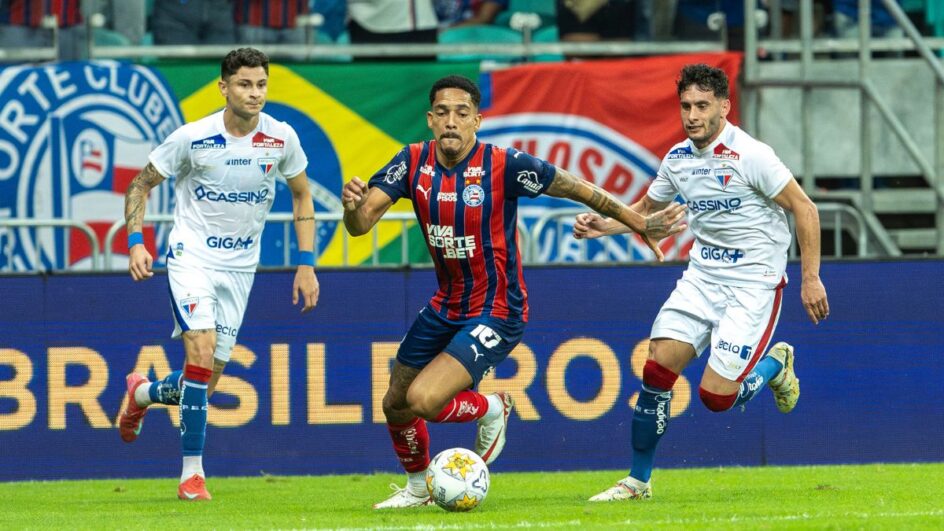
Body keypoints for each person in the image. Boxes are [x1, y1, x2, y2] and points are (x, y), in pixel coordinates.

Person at [341, 74, 687, 509]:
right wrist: (351, 209)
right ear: (430, 120)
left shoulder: (505, 164)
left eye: (462, 113)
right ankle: (416, 489)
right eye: (443, 113)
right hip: (445, 304)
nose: (452, 122)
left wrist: (639, 222)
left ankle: (491, 408)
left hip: (497, 308)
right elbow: (361, 225)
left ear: (477, 121)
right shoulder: (410, 162)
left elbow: (580, 189)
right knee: (395, 403)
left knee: (424, 400)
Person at [575, 63, 830, 501]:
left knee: (715, 398)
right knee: (656, 368)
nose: (692, 115)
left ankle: (775, 364)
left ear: (724, 107)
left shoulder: (752, 155)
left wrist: (811, 278)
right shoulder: (677, 160)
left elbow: (804, 209)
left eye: (702, 106)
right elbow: (646, 213)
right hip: (702, 278)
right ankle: (637, 482)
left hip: (754, 285)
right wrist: (606, 226)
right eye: (685, 106)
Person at [119, 47, 320, 501]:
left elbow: (303, 196)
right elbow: (140, 185)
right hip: (190, 258)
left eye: (262, 84)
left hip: (241, 268)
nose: (255, 93)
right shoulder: (193, 137)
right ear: (223, 87)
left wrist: (306, 265)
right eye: (245, 84)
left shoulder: (281, 138)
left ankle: (143, 393)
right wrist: (136, 242)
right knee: (202, 350)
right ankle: (193, 475)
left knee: (204, 383)